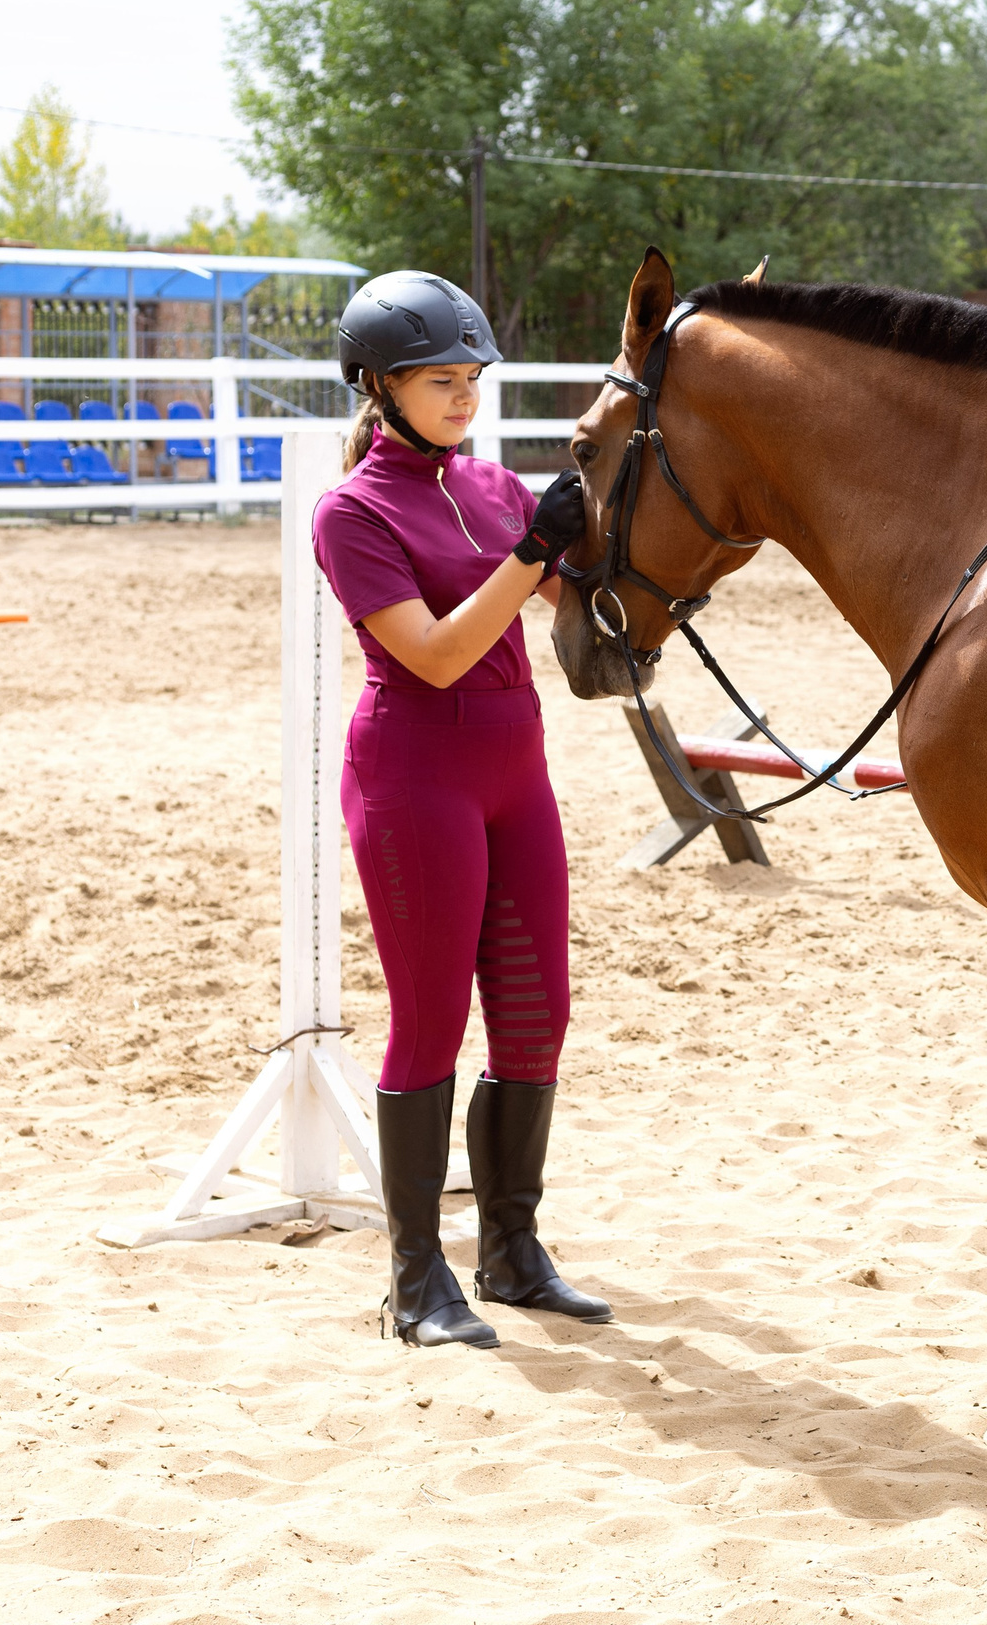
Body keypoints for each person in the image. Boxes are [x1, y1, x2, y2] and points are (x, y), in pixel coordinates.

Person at [315, 269, 602, 1349]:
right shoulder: (352, 512)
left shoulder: (493, 489)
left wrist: (603, 547)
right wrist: (534, 555)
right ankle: (414, 1274)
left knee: (537, 1013)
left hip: (514, 773)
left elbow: (580, 606)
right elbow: (433, 654)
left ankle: (514, 1252)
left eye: (473, 379)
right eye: (441, 381)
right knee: (430, 1019)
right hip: (414, 777)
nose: (464, 397)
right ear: (379, 386)